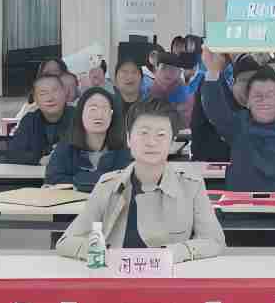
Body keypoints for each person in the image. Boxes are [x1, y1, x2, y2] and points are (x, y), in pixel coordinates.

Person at [56, 99, 225, 263]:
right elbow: (66, 241)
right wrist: (101, 253)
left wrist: (173, 253)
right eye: (144, 133)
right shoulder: (108, 185)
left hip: (170, 278)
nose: (151, 142)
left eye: (161, 135)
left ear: (172, 143)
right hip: (116, 276)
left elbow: (214, 241)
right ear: (129, 139)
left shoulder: (190, 185)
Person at [46, 86, 133, 190]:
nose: (99, 115)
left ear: (112, 115)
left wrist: (77, 180)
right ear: (81, 113)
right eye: (93, 109)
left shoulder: (123, 150)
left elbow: (126, 182)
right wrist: (99, 180)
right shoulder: (66, 148)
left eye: (105, 109)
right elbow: (52, 180)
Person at [189, 51, 258, 162]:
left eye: (253, 83)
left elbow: (223, 118)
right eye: (244, 81)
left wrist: (213, 71)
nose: (248, 88)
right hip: (208, 163)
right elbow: (219, 114)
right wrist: (214, 71)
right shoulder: (214, 86)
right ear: (233, 83)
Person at [8, 74, 78, 163]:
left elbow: (87, 152)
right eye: (43, 94)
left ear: (65, 93)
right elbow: (13, 154)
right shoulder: (29, 120)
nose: (50, 98)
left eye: (55, 91)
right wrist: (39, 160)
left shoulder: (79, 117)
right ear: (35, 99)